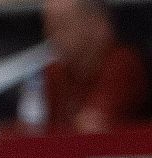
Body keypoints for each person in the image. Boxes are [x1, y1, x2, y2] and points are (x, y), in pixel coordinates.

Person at [41, 0, 149, 133]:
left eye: (62, 25)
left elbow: (91, 126)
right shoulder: (55, 72)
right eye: (49, 27)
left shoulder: (122, 64)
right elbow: (48, 131)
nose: (53, 36)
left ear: (97, 23)